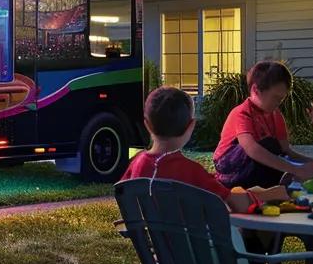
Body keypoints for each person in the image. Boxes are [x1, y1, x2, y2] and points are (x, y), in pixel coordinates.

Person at [121, 86, 285, 213]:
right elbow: (238, 204)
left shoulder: (136, 164)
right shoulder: (191, 172)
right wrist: (270, 194)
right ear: (191, 126)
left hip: (155, 247)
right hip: (197, 247)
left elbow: (121, 191)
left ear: (147, 124)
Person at [213, 61, 313, 189]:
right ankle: (283, 179)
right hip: (229, 167)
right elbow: (252, 149)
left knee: (276, 151)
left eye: (281, 99)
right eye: (275, 97)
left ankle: (281, 180)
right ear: (255, 90)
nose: (278, 103)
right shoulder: (242, 113)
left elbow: (286, 151)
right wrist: (296, 170)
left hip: (255, 166)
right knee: (268, 145)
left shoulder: (275, 115)